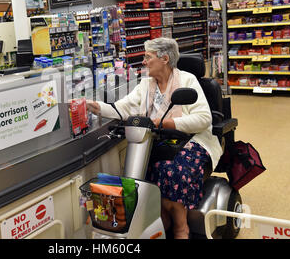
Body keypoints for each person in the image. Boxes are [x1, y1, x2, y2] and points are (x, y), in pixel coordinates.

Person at [87, 37, 222, 239]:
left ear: (165, 59)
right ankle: (160, 218)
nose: (143, 62)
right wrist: (94, 107)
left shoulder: (187, 80)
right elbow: (122, 108)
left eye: (147, 57)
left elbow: (203, 119)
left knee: (173, 169)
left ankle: (180, 226)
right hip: (157, 140)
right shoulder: (145, 85)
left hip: (191, 139)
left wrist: (167, 123)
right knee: (143, 171)